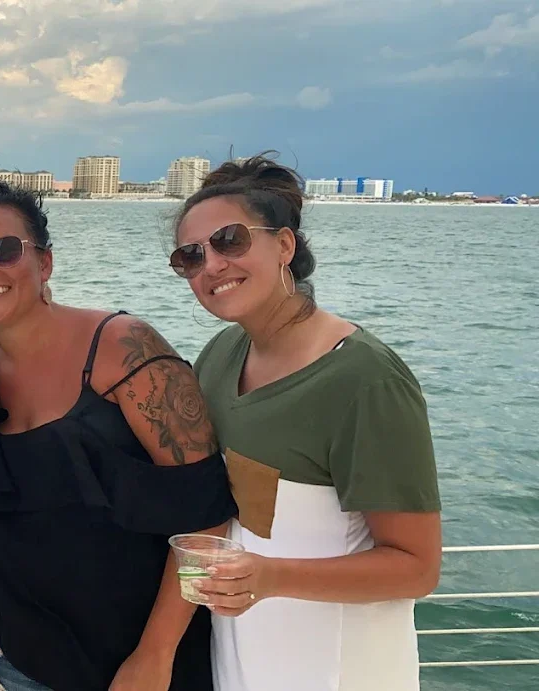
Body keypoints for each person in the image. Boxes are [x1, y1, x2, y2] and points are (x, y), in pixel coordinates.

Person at [0, 151, 238, 691]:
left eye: (5, 250)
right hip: (14, 662)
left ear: (45, 263)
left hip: (136, 667)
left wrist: (156, 654)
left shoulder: (125, 350)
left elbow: (208, 519)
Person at [173, 154, 441, 691]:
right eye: (190, 256)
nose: (212, 266)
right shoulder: (222, 356)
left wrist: (270, 577)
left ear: (285, 246)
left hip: (339, 666)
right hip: (244, 654)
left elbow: (417, 566)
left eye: (230, 240)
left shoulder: (364, 379)